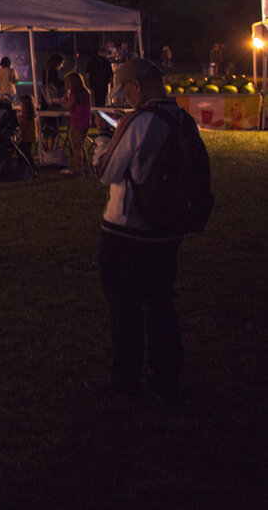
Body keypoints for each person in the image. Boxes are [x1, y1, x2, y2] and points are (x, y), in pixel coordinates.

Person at [88, 58, 192, 403]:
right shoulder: (181, 119)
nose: (126, 98)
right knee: (162, 305)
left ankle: (125, 378)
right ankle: (166, 377)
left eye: (127, 91)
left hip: (127, 230)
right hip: (166, 229)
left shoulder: (141, 121)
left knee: (125, 307)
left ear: (137, 86)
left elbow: (106, 171)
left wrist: (103, 139)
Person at [62, 71, 92, 176]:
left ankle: (79, 169)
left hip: (76, 122)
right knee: (81, 145)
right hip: (85, 122)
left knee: (76, 147)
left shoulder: (73, 94)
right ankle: (86, 167)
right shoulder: (85, 93)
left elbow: (70, 108)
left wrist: (63, 103)